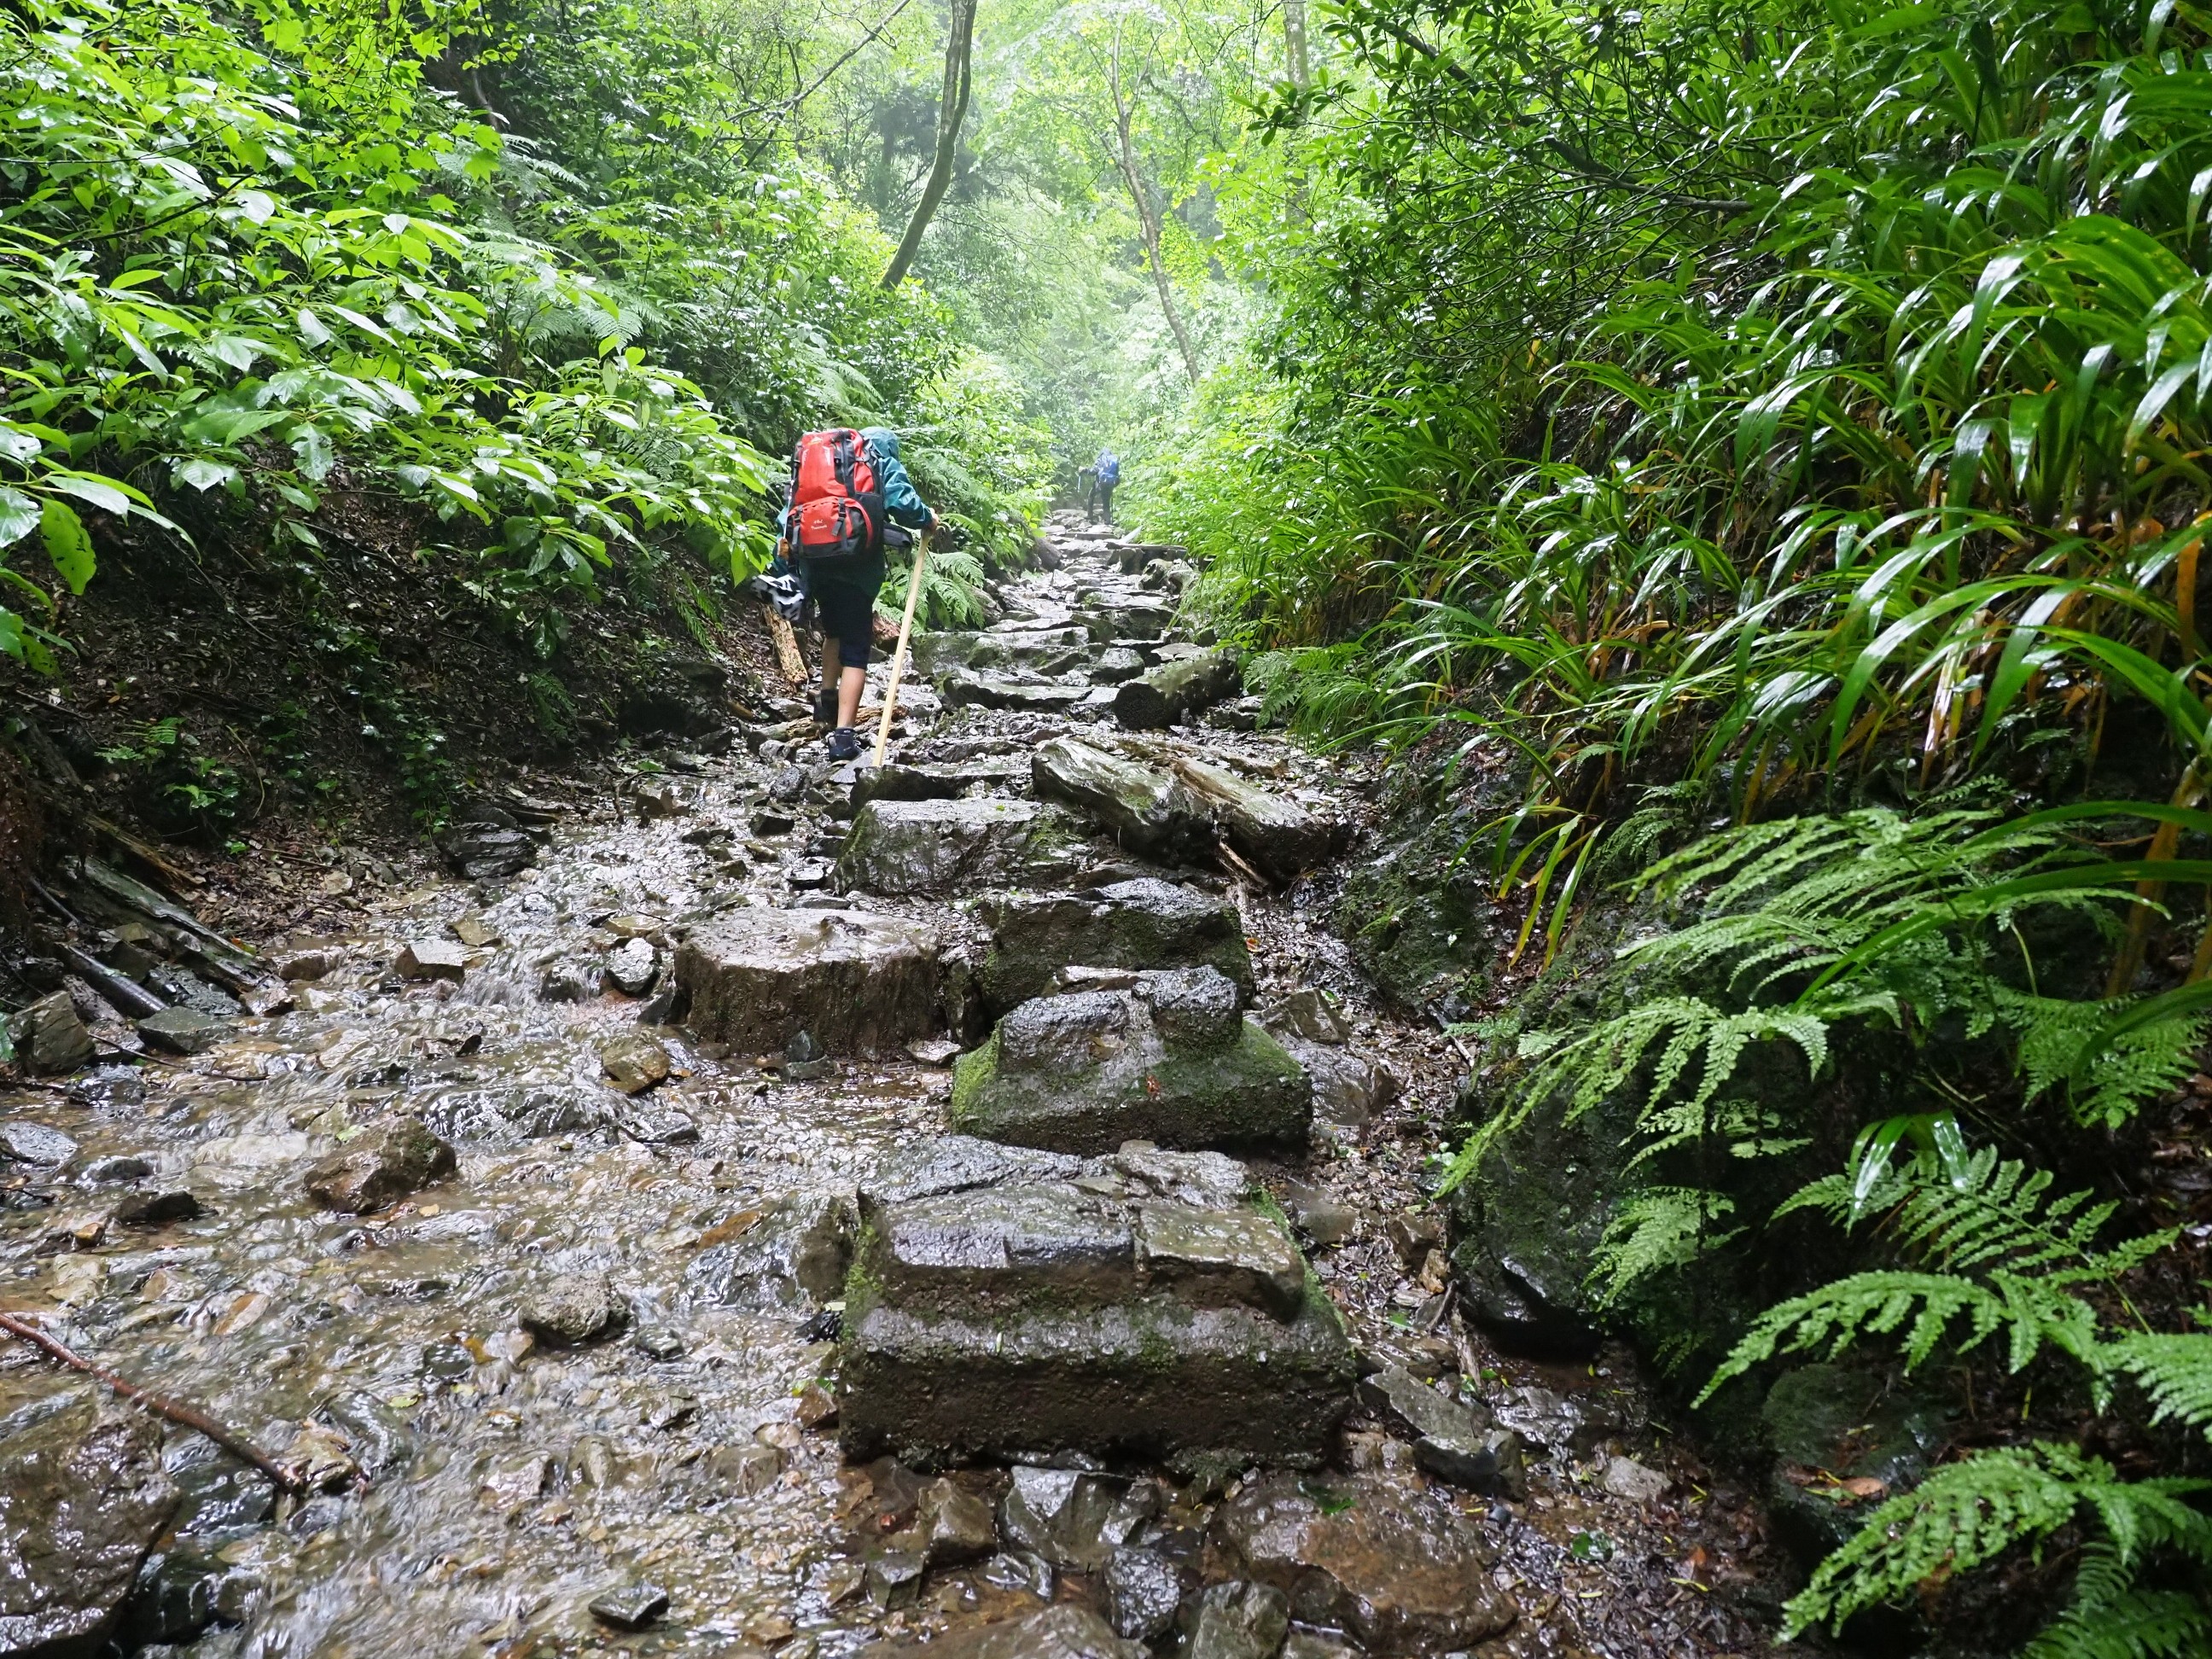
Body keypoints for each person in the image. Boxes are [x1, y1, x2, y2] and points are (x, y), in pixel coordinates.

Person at [789, 425, 936, 762]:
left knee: (833, 631)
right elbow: (903, 503)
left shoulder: (823, 460)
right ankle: (843, 737)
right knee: (856, 647)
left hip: (816, 560)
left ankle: (826, 702)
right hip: (855, 564)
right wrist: (927, 518)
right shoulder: (877, 458)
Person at [1091, 448, 1120, 524]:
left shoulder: (1101, 458)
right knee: (1106, 502)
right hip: (1111, 483)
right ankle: (1107, 521)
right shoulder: (1114, 459)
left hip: (1102, 482)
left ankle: (1090, 516)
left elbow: (1094, 471)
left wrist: (1084, 470)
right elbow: (1117, 473)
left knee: (1091, 495)